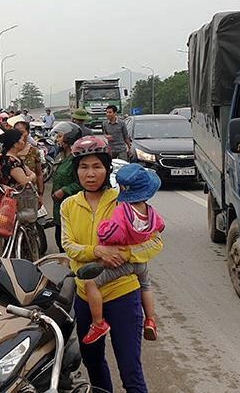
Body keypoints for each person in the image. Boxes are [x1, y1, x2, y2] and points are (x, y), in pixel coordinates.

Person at [61, 137, 162, 393]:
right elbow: (68, 245)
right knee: (93, 363)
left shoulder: (125, 200)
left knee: (130, 368)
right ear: (76, 171)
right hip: (85, 296)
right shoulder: (68, 205)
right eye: (84, 167)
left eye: (97, 166)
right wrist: (98, 251)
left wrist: (126, 254)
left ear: (107, 169)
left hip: (123, 294)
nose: (90, 173)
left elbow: (155, 243)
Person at [82, 163, 165, 345]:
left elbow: (113, 234)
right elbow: (160, 226)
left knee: (91, 283)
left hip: (122, 262)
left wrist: (103, 229)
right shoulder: (150, 211)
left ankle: (98, 323)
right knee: (146, 285)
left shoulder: (122, 210)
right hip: (140, 261)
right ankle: (150, 319)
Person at [49, 121, 84, 252]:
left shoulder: (77, 159)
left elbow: (82, 183)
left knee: (69, 244)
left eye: (60, 136)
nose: (57, 139)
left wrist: (64, 190)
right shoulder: (61, 155)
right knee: (60, 240)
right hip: (59, 209)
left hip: (73, 210)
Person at [8, 122, 45, 200]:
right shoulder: (10, 154)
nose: (19, 135)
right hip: (13, 196)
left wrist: (40, 193)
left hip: (30, 194)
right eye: (16, 132)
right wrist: (32, 177)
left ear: (28, 133)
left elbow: (39, 174)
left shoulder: (34, 151)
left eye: (22, 132)